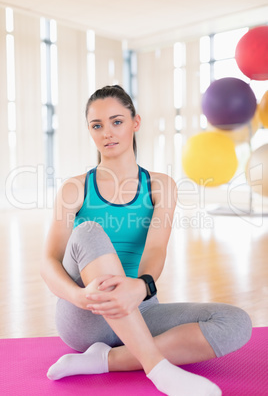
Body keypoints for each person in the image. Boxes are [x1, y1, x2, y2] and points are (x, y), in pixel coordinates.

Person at [41, 85, 252, 396]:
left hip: (140, 308)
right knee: (88, 232)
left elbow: (155, 249)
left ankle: (104, 360)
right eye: (97, 126)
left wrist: (141, 287)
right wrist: (79, 297)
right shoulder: (75, 189)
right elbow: (49, 262)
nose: (107, 133)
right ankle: (158, 367)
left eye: (117, 121)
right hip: (88, 314)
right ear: (89, 130)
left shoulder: (160, 186)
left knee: (235, 322)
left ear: (135, 123)